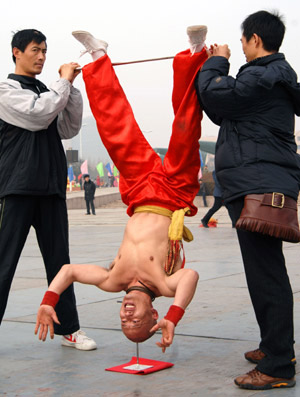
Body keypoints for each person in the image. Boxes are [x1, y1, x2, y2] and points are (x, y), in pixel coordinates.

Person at [34, 26, 209, 351]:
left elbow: (68, 271)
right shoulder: (164, 284)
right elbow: (191, 277)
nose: (127, 315)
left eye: (124, 322)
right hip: (173, 195)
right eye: (137, 320)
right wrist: (174, 315)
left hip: (141, 193)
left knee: (114, 130)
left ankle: (98, 56)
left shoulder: (113, 281)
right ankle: (196, 54)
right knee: (186, 125)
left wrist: (49, 300)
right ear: (152, 312)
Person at [197, 10, 300, 390]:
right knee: (266, 270)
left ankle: (277, 365)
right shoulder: (270, 78)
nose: (239, 47)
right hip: (260, 181)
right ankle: (275, 347)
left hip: (258, 184)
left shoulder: (260, 76)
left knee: (266, 274)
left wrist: (217, 61)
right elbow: (220, 108)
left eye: (242, 41)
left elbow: (211, 95)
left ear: (256, 40)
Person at [0, 29, 96, 351]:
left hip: (50, 187)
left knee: (60, 263)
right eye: (34, 50)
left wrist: (72, 86)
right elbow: (37, 115)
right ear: (16, 52)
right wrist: (62, 83)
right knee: (3, 262)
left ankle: (69, 329)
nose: (41, 56)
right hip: (15, 188)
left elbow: (68, 127)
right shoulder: (5, 89)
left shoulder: (48, 89)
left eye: (44, 51)